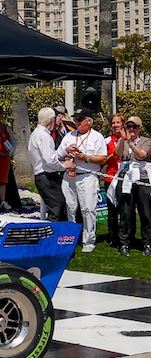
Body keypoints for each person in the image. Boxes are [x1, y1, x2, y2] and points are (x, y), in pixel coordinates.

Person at [55, 108, 108, 253]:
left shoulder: (97, 137)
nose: (77, 122)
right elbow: (57, 155)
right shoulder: (70, 135)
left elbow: (103, 158)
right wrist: (67, 150)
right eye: (76, 119)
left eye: (80, 119)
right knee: (70, 208)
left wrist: (86, 157)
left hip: (87, 176)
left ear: (89, 122)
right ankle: (71, 238)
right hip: (70, 175)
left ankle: (89, 240)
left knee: (88, 209)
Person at [112, 116, 151, 257]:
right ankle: (125, 242)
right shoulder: (124, 141)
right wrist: (123, 139)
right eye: (129, 127)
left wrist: (131, 143)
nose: (132, 129)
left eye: (134, 127)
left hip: (142, 179)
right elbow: (118, 154)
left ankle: (147, 242)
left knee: (145, 212)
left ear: (140, 128)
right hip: (126, 178)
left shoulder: (146, 141)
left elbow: (142, 155)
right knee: (125, 212)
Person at [28, 107, 67, 222]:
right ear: (51, 120)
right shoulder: (45, 136)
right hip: (47, 176)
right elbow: (50, 160)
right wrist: (64, 166)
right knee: (58, 207)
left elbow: (48, 156)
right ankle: (52, 236)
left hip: (42, 176)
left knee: (58, 206)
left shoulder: (36, 133)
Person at [103, 113, 124, 248]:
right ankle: (113, 237)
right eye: (113, 123)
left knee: (125, 209)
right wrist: (113, 154)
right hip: (111, 177)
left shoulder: (128, 138)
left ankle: (125, 236)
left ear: (123, 124)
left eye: (118, 122)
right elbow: (103, 160)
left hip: (125, 179)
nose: (115, 125)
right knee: (112, 210)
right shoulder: (106, 140)